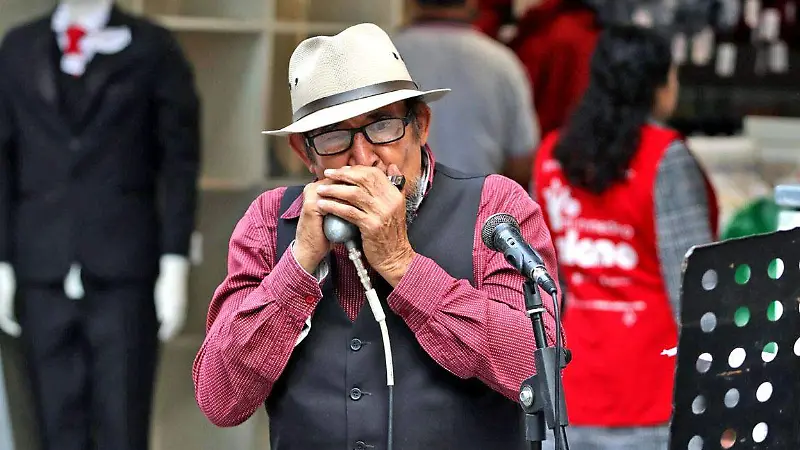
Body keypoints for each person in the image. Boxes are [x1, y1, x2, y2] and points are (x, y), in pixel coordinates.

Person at [192, 22, 562, 450]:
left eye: (383, 126)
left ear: (420, 125)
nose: (364, 157)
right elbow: (220, 401)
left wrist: (401, 264)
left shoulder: (494, 206)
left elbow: (535, 371)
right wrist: (298, 266)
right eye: (334, 137)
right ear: (305, 153)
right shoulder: (270, 220)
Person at [0, 1, 200, 449]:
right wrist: (2, 259)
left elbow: (179, 163)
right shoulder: (18, 48)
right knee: (51, 423)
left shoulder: (154, 48)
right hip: (40, 266)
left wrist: (174, 261)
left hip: (125, 269)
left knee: (122, 421)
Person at [531, 25, 718, 449]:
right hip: (654, 388)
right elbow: (693, 285)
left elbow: (542, 280)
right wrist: (716, 377)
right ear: (657, 84)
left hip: (570, 384)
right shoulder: (664, 157)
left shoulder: (552, 156)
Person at [392, 0, 539, 187]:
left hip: (398, 199)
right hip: (478, 199)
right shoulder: (502, 63)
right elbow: (522, 164)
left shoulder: (386, 56)